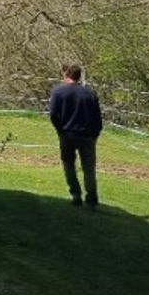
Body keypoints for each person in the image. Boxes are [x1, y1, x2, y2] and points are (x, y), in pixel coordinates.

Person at [47, 64, 103, 207]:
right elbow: (98, 118)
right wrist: (95, 134)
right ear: (79, 76)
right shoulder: (90, 93)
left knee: (68, 164)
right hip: (87, 135)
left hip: (67, 134)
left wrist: (60, 130)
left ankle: (75, 193)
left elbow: (53, 114)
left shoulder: (58, 92)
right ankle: (91, 198)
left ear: (66, 74)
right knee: (89, 168)